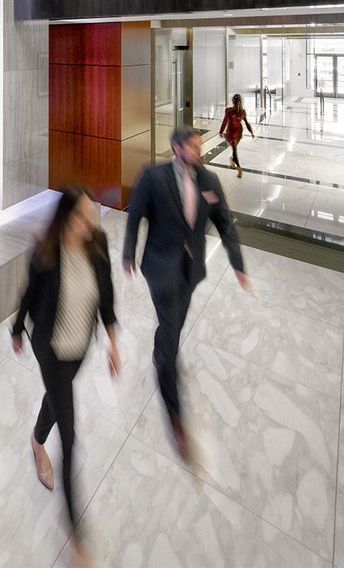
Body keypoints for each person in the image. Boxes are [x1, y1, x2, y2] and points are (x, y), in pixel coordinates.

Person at [122, 126, 250, 463]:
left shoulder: (209, 181)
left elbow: (225, 223)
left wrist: (238, 265)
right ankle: (176, 418)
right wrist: (127, 254)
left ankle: (161, 348)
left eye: (200, 144)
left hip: (191, 272)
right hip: (160, 269)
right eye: (194, 145)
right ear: (177, 149)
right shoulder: (153, 177)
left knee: (174, 324)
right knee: (170, 339)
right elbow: (135, 214)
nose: (201, 149)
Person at [11, 185, 120, 568]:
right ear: (65, 218)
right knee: (71, 438)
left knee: (56, 399)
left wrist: (113, 341)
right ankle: (76, 533)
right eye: (81, 218)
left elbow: (106, 294)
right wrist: (15, 329)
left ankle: (36, 433)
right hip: (51, 349)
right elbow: (28, 296)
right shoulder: (46, 250)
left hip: (78, 350)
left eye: (92, 217)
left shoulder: (98, 243)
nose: (89, 224)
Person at [218, 93, 257, 178]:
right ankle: (239, 169)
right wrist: (221, 131)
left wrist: (251, 132)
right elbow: (226, 121)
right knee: (234, 150)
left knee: (234, 150)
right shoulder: (231, 111)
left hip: (237, 133)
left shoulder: (240, 112)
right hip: (232, 133)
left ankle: (232, 160)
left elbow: (246, 123)